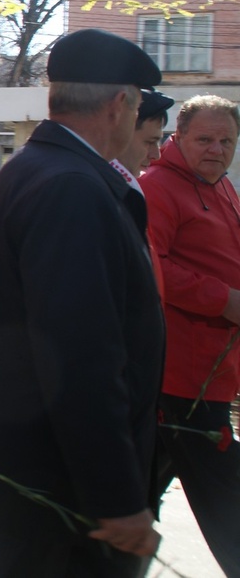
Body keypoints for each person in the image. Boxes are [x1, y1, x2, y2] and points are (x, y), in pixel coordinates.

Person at [0, 29, 164, 577]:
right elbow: (80, 354)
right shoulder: (73, 185)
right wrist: (117, 495)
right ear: (120, 105)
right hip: (54, 493)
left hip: (31, 480)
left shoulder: (37, 165)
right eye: (138, 105)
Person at [140, 94, 240, 577]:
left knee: (133, 499)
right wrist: (224, 299)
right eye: (205, 139)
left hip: (211, 371)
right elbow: (151, 266)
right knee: (227, 500)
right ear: (178, 138)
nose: (217, 149)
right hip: (184, 377)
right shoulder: (158, 186)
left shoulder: (220, 186)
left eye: (227, 141)